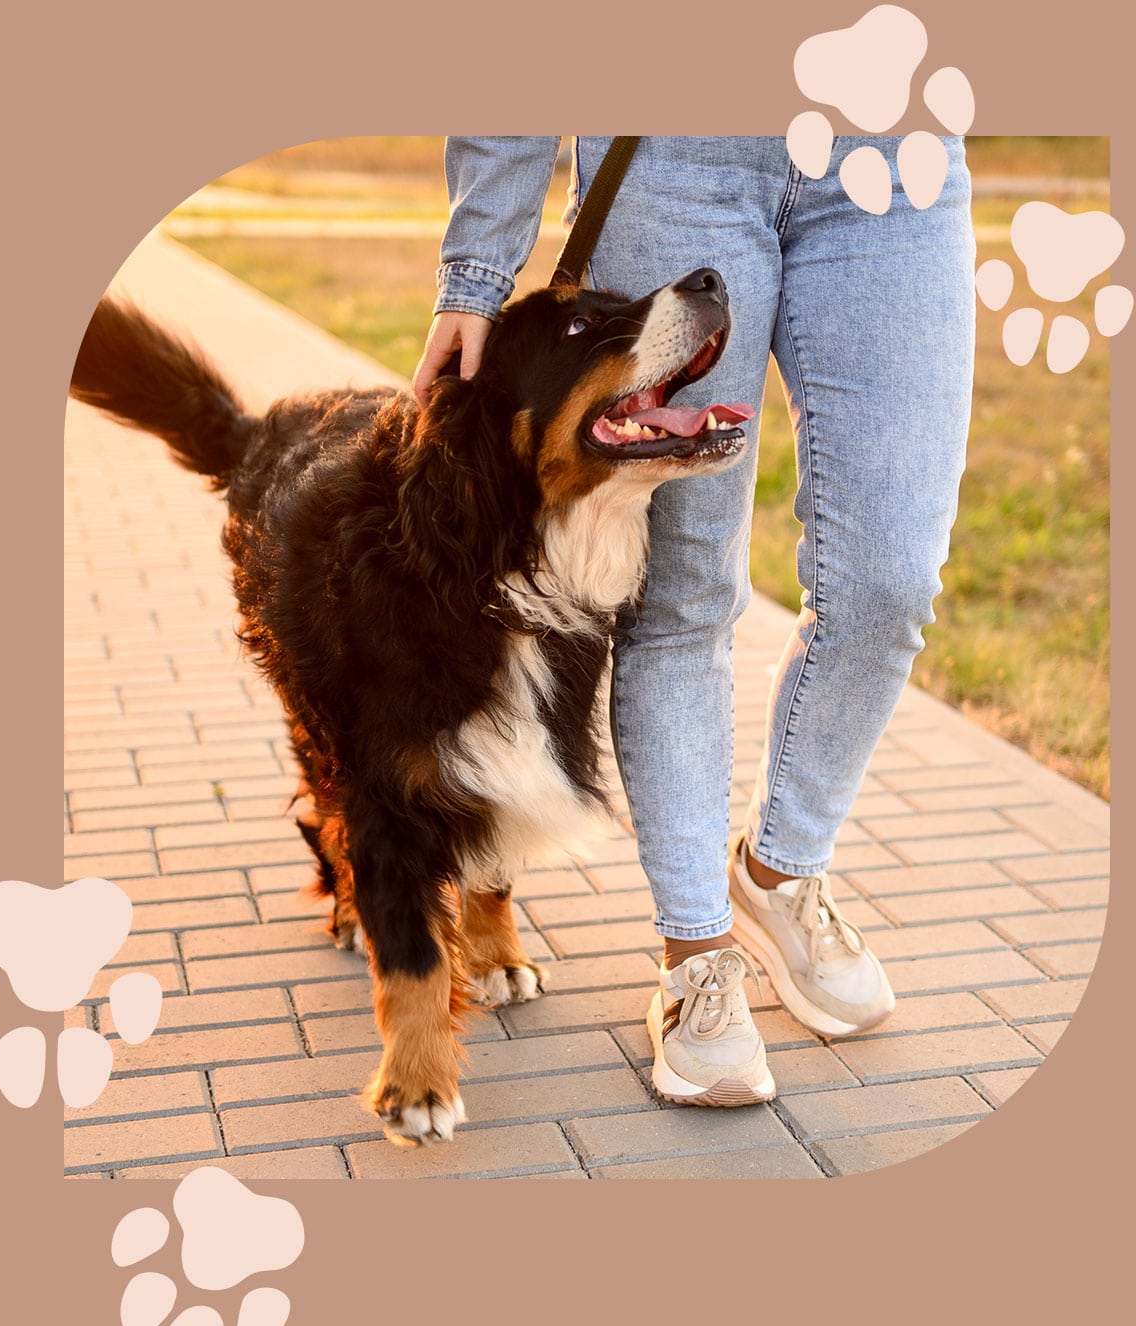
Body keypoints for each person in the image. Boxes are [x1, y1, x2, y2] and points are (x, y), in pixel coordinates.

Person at [413, 136, 975, 1106]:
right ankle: (696, 954)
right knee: (677, 601)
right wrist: (476, 274)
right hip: (674, 154)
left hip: (896, 152)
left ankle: (778, 870)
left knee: (889, 579)